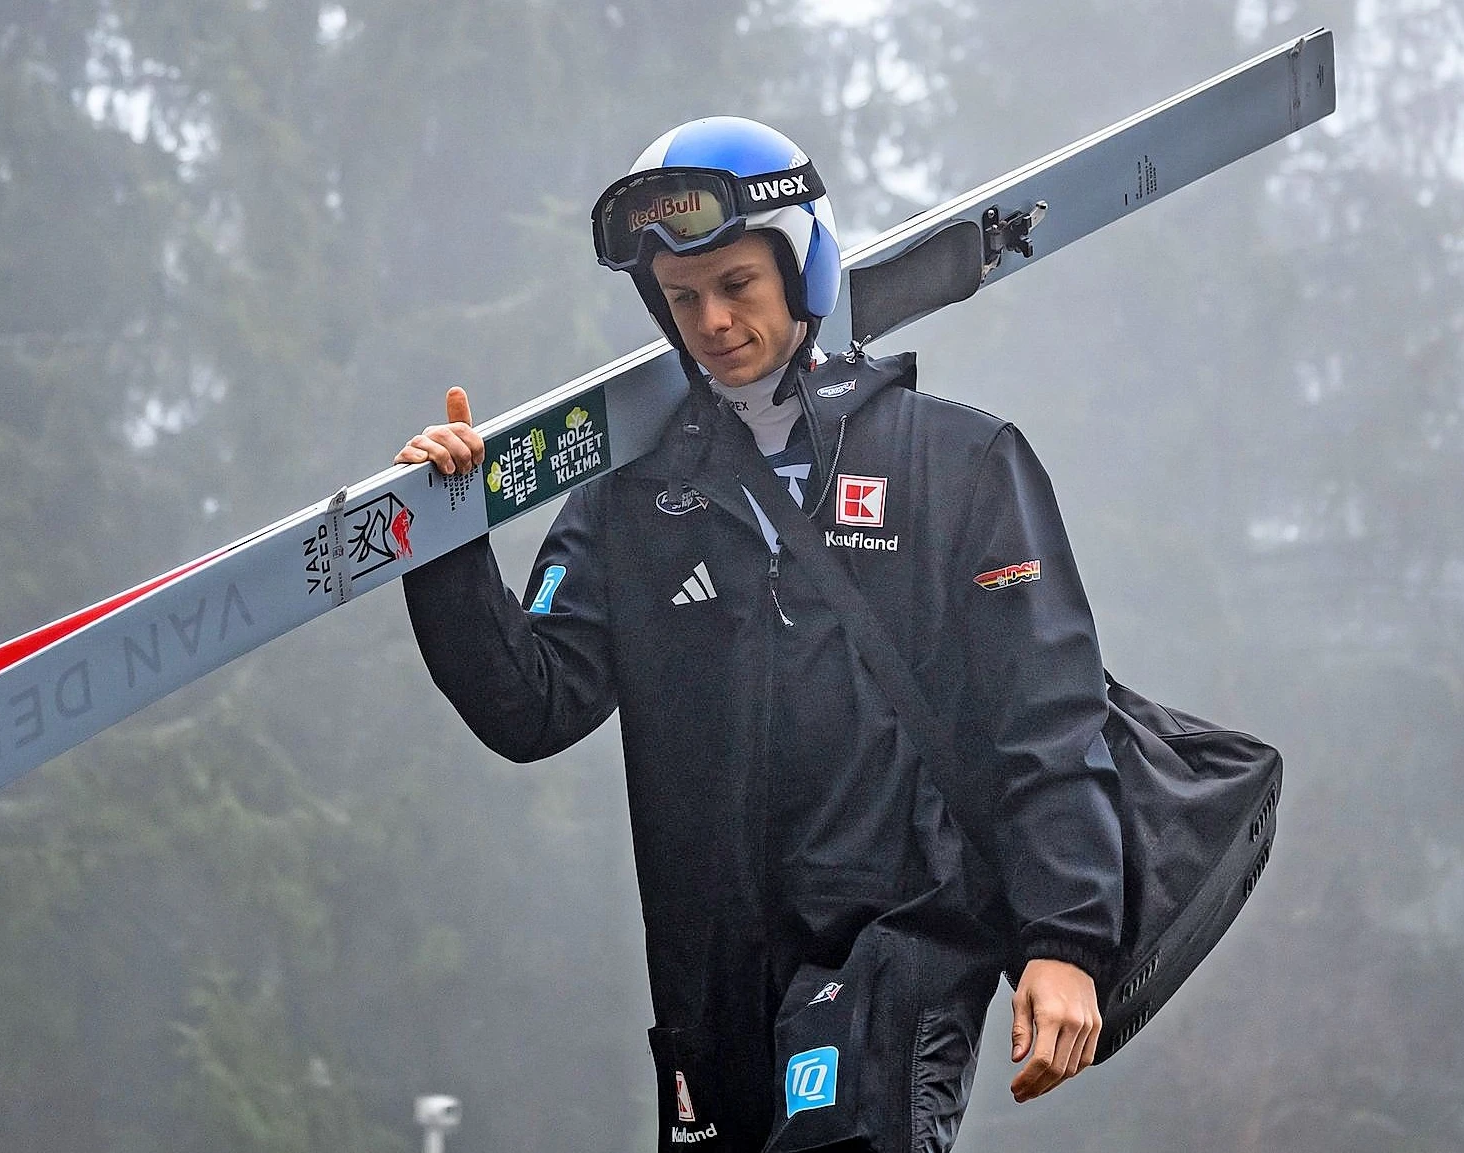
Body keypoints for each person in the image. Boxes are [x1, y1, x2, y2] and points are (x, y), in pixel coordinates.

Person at [396, 117, 1123, 1152]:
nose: (712, 321)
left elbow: (1047, 716)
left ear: (805, 266)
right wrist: (446, 541)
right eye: (682, 298)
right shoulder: (633, 504)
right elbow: (531, 703)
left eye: (738, 284)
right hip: (710, 981)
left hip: (894, 940)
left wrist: (1066, 940)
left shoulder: (957, 462)